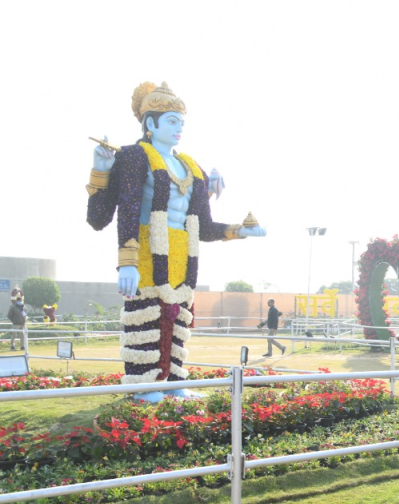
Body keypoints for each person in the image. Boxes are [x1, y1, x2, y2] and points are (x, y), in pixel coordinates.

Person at [86, 82, 266, 400]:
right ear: (150, 123)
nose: (179, 127)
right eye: (171, 120)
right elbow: (117, 211)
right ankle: (144, 385)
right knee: (146, 318)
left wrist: (238, 230)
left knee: (178, 319)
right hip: (143, 253)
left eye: (181, 121)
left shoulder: (191, 167)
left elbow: (203, 226)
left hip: (182, 258)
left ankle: (174, 381)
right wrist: (126, 262)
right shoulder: (134, 156)